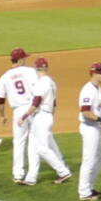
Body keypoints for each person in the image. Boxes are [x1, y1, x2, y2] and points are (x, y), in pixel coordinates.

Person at [19, 55, 71, 186]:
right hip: (45, 116)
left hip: (41, 116)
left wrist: (24, 117)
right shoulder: (51, 82)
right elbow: (54, 103)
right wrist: (50, 116)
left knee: (42, 149)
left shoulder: (42, 83)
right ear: (46, 68)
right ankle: (31, 178)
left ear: (36, 69)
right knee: (33, 148)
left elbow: (36, 102)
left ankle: (63, 171)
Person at [0, 48, 42, 180]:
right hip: (32, 109)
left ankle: (18, 173)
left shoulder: (5, 76)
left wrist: (2, 115)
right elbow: (40, 89)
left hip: (18, 112)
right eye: (24, 58)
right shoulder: (31, 71)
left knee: (19, 142)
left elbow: (0, 98)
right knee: (33, 142)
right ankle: (32, 175)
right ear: (20, 60)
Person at [75, 61, 101, 200]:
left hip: (96, 127)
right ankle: (84, 192)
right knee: (89, 160)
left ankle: (89, 186)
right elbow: (85, 112)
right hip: (89, 128)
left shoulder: (99, 89)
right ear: (94, 74)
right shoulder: (88, 90)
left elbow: (99, 109)